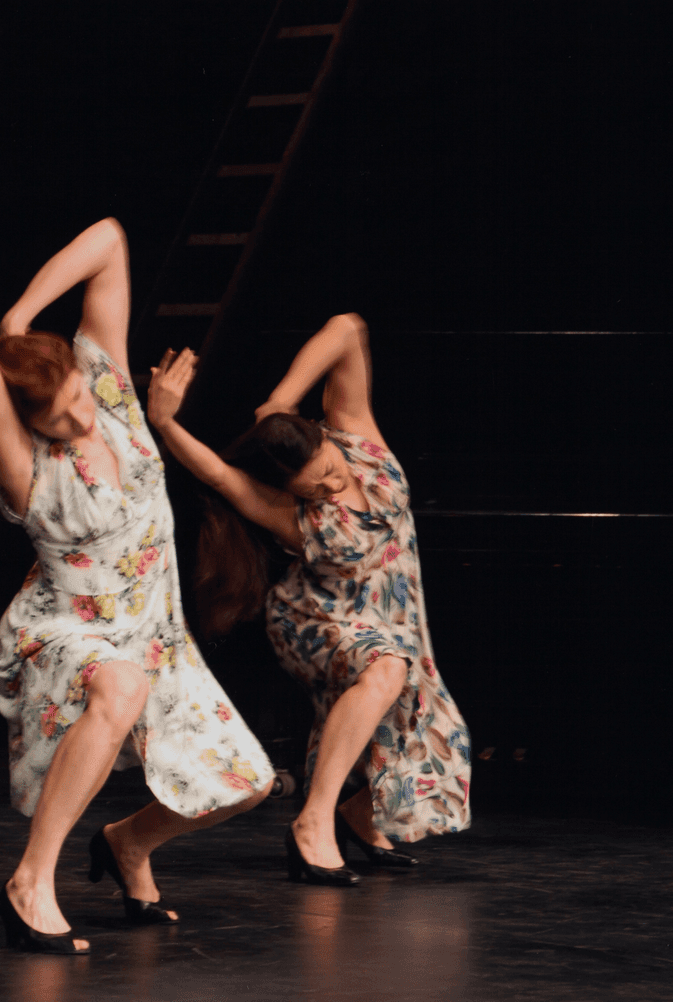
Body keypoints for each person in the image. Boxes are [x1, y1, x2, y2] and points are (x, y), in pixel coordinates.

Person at [0, 173, 273, 954]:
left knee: (246, 784)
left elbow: (109, 238)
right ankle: (30, 882)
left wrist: (21, 314)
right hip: (67, 630)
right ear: (26, 425)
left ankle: (128, 844)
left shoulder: (103, 381)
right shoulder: (26, 467)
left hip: (156, 631)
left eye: (78, 392)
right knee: (118, 687)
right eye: (62, 414)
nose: (84, 413)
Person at [146, 313, 471, 885]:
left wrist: (278, 401)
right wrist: (165, 423)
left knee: (426, 727)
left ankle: (353, 816)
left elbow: (347, 328)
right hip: (319, 617)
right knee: (384, 670)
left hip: (395, 612)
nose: (331, 485)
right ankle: (313, 824)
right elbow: (220, 476)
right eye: (313, 486)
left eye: (328, 470)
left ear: (324, 436)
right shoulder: (286, 512)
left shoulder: (355, 436)